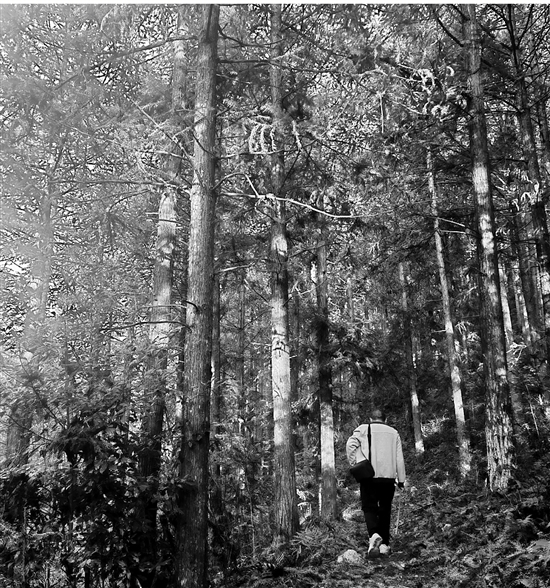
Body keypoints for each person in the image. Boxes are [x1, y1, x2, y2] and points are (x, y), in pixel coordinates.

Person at [346, 408, 406, 557]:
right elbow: (399, 458)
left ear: (370, 419)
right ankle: (384, 544)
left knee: (369, 508)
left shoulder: (363, 429)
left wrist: (356, 463)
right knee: (385, 509)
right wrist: (401, 480)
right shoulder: (394, 433)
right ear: (385, 420)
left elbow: (350, 445)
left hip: (369, 476)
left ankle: (373, 537)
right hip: (388, 478)